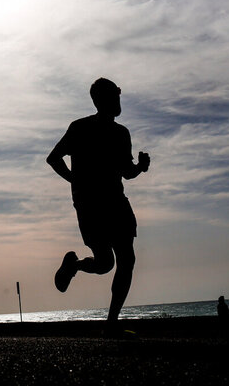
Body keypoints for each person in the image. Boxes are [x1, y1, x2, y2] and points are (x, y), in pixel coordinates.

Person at [46, 78, 150, 336]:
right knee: (105, 264)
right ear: (101, 100)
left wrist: (140, 167)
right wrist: (75, 180)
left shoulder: (121, 133)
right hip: (90, 205)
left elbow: (127, 172)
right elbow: (54, 158)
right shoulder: (80, 127)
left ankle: (111, 323)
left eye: (118, 95)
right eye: (114, 96)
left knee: (127, 259)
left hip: (116, 202)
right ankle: (76, 265)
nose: (118, 101)